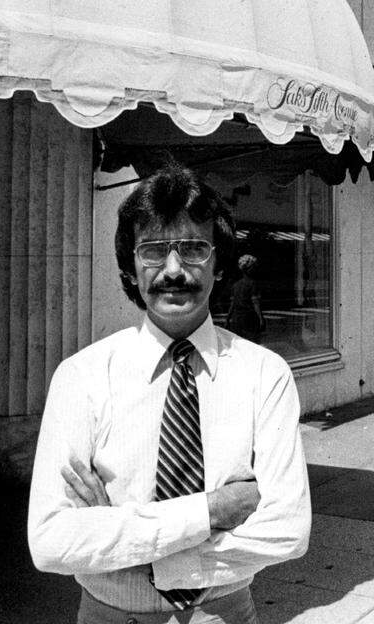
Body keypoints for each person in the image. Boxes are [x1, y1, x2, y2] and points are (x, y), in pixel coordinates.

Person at [28, 164, 311, 624]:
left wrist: (126, 541)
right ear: (130, 265)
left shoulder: (266, 375)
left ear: (219, 264)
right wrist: (212, 510)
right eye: (155, 251)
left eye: (195, 249)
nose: (175, 270)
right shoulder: (81, 377)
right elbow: (50, 542)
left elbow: (289, 531)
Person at [227, 254, 263, 343]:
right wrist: (261, 318)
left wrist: (228, 318)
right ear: (250, 269)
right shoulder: (253, 284)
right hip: (250, 318)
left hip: (236, 319)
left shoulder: (236, 285)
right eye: (253, 267)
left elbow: (232, 304)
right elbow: (255, 303)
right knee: (252, 344)